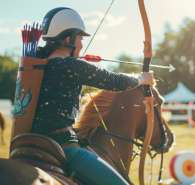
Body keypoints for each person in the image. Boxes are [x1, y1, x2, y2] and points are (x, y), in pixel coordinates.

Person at [32, 7, 154, 185]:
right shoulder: (71, 66)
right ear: (68, 38)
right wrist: (141, 79)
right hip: (61, 145)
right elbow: (113, 81)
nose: (81, 44)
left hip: (28, 141)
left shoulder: (35, 63)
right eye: (80, 38)